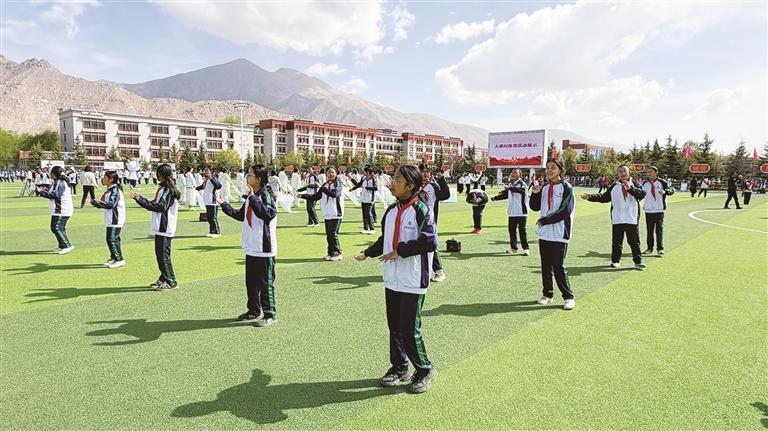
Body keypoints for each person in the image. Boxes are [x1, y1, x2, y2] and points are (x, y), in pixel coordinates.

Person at [354, 164, 438, 394]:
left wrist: (400, 250)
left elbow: (430, 241)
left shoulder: (421, 209)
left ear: (409, 185)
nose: (392, 183)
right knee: (395, 326)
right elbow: (386, 238)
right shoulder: (391, 210)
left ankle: (424, 370)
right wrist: (368, 252)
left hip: (413, 278)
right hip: (392, 277)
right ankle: (400, 367)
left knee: (410, 328)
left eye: (397, 180)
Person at [218, 164, 278, 327]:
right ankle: (253, 310)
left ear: (258, 178)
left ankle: (270, 314)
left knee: (265, 284)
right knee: (251, 283)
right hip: (251, 247)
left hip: (264, 248)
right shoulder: (253, 196)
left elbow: (268, 214)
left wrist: (253, 199)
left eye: (250, 174)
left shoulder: (265, 195)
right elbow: (240, 216)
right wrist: (224, 204)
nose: (247, 177)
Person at [528, 159, 575, 310]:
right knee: (545, 265)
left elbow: (565, 210)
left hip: (559, 232)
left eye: (553, 167)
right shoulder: (545, 187)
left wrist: (545, 220)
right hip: (544, 233)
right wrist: (535, 194)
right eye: (547, 168)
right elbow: (535, 207)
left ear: (560, 169)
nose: (549, 170)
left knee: (558, 266)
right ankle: (547, 294)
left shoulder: (566, 187)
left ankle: (568, 297)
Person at [581, 164, 646, 269]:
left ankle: (638, 261)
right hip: (618, 218)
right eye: (620, 171)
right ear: (618, 173)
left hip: (631, 218)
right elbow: (604, 197)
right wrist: (589, 197)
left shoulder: (635, 184)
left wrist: (630, 188)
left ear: (629, 172)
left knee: (634, 242)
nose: (622, 173)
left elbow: (642, 194)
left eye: (624, 171)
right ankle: (615, 261)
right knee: (617, 242)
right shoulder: (615, 186)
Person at [131, 164, 180, 290]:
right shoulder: (163, 188)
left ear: (161, 174)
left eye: (157, 173)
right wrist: (140, 199)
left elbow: (161, 207)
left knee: (163, 255)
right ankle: (164, 277)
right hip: (161, 226)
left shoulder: (168, 190)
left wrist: (140, 200)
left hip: (165, 226)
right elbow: (155, 203)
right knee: (160, 255)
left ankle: (171, 281)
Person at [420, 166, 450, 282]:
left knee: (431, 245)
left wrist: (441, 179)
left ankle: (439, 271)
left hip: (429, 221)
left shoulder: (433, 186)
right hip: (414, 219)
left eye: (427, 172)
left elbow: (445, 195)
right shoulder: (414, 186)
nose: (425, 175)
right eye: (423, 172)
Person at [90, 170, 126, 268]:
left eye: (105, 177)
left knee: (112, 239)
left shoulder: (115, 190)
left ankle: (119, 259)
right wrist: (96, 203)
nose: (103, 179)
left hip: (115, 218)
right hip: (111, 217)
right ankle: (114, 257)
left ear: (111, 179)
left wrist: (96, 203)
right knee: (111, 239)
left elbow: (111, 204)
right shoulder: (110, 190)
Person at [36, 166, 74, 254]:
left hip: (61, 209)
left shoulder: (59, 182)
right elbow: (54, 192)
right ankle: (62, 245)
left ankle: (66, 245)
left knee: (56, 227)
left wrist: (41, 192)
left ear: (53, 174)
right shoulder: (58, 182)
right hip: (60, 209)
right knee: (59, 228)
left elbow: (55, 195)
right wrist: (44, 190)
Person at [492, 169, 530, 255]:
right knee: (512, 231)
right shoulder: (511, 184)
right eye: (512, 172)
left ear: (520, 174)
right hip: (512, 211)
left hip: (521, 211)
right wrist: (495, 198)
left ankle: (526, 249)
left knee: (522, 231)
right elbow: (506, 195)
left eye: (515, 172)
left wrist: (509, 188)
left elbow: (521, 191)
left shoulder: (522, 184)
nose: (513, 174)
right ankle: (514, 248)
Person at [641, 166, 675, 256]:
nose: (649, 173)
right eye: (648, 172)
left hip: (659, 210)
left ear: (656, 172)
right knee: (649, 230)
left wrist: (665, 191)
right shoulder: (645, 183)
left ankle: (660, 249)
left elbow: (672, 190)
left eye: (651, 171)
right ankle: (649, 248)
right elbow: (640, 193)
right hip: (648, 210)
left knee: (659, 230)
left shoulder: (662, 182)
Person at [318, 167, 344, 261]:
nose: (331, 174)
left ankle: (337, 253)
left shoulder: (338, 183)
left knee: (333, 234)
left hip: (336, 213)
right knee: (329, 235)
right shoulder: (325, 184)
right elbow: (317, 196)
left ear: (336, 173)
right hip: (327, 213)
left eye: (332, 172)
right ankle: (331, 252)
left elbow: (335, 194)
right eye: (329, 173)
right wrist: (303, 196)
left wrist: (322, 188)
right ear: (326, 174)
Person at [196, 166, 222, 238]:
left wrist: (211, 179)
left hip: (213, 201)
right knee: (210, 217)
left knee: (213, 217)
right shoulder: (206, 179)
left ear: (211, 172)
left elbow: (219, 185)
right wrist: (197, 188)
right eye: (205, 171)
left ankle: (217, 232)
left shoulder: (213, 178)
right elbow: (203, 186)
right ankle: (212, 231)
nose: (206, 172)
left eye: (207, 171)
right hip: (207, 201)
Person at [350, 166, 377, 234]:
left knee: (368, 213)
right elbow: (359, 185)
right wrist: (352, 188)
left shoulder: (373, 179)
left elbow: (375, 188)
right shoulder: (363, 178)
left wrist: (367, 188)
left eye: (365, 172)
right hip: (363, 198)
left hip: (370, 198)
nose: (364, 173)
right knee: (364, 214)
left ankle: (372, 228)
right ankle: (365, 228)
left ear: (369, 172)